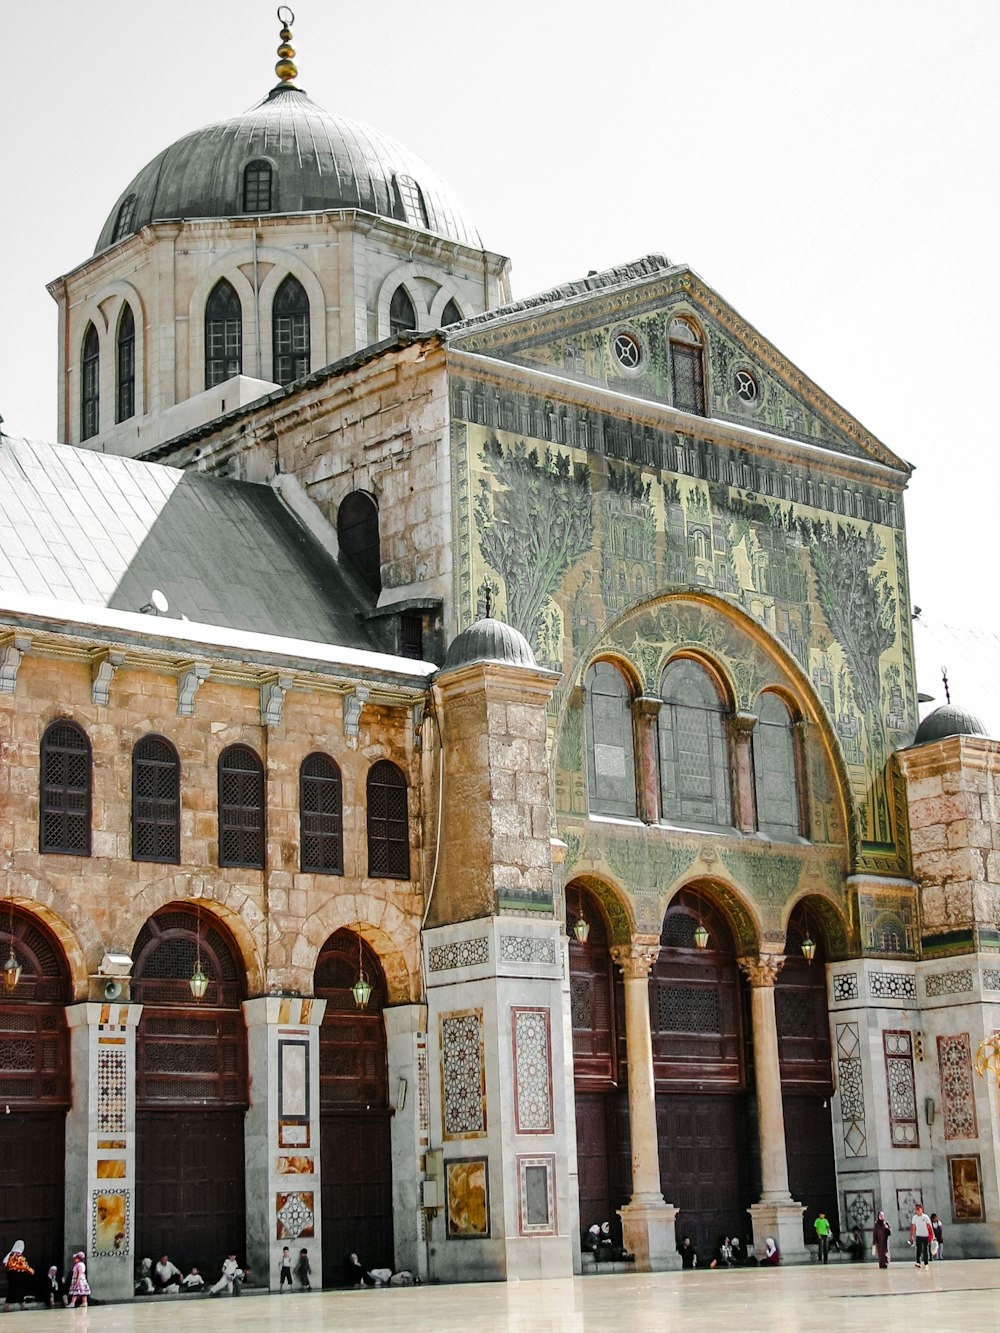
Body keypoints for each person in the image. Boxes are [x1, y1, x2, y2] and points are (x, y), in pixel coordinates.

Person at [3, 1241, 35, 1312]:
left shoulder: (10, 1255)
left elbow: (5, 1263)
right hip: (18, 1275)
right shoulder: (19, 1256)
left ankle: (16, 1305)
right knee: (16, 1289)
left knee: (14, 1289)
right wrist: (30, 1270)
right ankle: (8, 1306)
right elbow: (23, 1266)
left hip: (11, 1274)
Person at [910, 1204, 933, 1268]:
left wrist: (932, 1236)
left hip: (925, 1236)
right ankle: (918, 1262)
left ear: (921, 1209)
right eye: (916, 1209)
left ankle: (926, 1263)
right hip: (918, 1235)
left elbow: (929, 1227)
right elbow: (913, 1227)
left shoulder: (925, 1217)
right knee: (918, 1250)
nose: (917, 1210)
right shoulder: (914, 1217)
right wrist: (911, 1235)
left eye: (918, 1209)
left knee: (925, 1250)